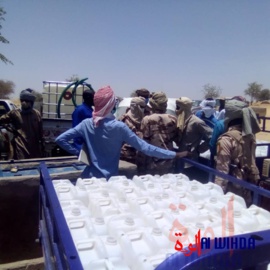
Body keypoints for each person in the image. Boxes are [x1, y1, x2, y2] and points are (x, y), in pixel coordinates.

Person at [55, 86, 189, 180]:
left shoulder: (87, 124)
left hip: (88, 178)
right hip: (108, 180)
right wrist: (174, 154)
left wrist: (79, 153)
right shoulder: (119, 127)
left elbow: (60, 139)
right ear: (111, 105)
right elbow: (145, 148)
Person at [214, 99, 261, 205]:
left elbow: (222, 172)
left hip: (232, 192)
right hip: (247, 187)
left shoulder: (226, 139)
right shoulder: (250, 136)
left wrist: (216, 195)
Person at [137, 92, 178, 175]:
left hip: (152, 161)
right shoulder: (173, 119)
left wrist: (140, 163)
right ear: (165, 105)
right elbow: (176, 138)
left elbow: (144, 142)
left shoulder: (147, 119)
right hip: (169, 160)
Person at [175, 97, 213, 182]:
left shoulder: (197, 122)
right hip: (179, 159)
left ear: (184, 108)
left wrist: (200, 149)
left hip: (190, 162)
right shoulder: (180, 120)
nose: (176, 110)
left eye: (178, 107)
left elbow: (212, 136)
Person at [0, 89, 44, 159]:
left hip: (34, 146)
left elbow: (40, 130)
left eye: (26, 101)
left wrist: (42, 144)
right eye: (22, 100)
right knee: (21, 163)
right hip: (20, 144)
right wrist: (7, 126)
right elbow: (2, 119)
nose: (24, 102)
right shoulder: (15, 113)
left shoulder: (36, 114)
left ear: (31, 102)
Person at [119, 97, 146, 164]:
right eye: (141, 107)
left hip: (141, 155)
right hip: (125, 155)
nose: (143, 109)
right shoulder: (124, 119)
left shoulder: (145, 119)